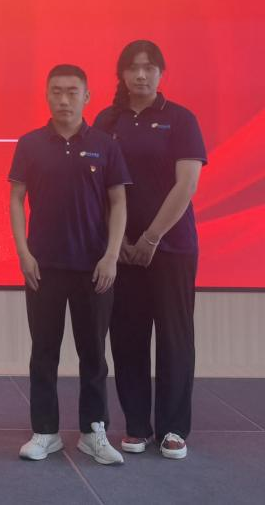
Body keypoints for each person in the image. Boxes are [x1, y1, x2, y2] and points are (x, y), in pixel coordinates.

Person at [9, 64, 128, 466]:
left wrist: (111, 255)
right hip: (43, 266)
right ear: (47, 95)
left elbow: (118, 202)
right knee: (44, 351)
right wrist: (23, 253)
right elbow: (16, 198)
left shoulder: (105, 145)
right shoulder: (30, 144)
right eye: (57, 91)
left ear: (87, 96)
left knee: (93, 353)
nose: (64, 99)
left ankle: (94, 431)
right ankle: (45, 432)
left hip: (93, 267)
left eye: (72, 91)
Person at [95, 40, 207, 461]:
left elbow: (187, 184)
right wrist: (121, 240)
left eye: (149, 67)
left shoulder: (180, 119)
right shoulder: (107, 120)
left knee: (174, 337)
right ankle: (137, 424)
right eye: (132, 67)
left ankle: (174, 427)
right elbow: (97, 185)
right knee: (127, 336)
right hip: (122, 249)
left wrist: (152, 237)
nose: (141, 75)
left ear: (161, 73)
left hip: (171, 247)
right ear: (121, 74)